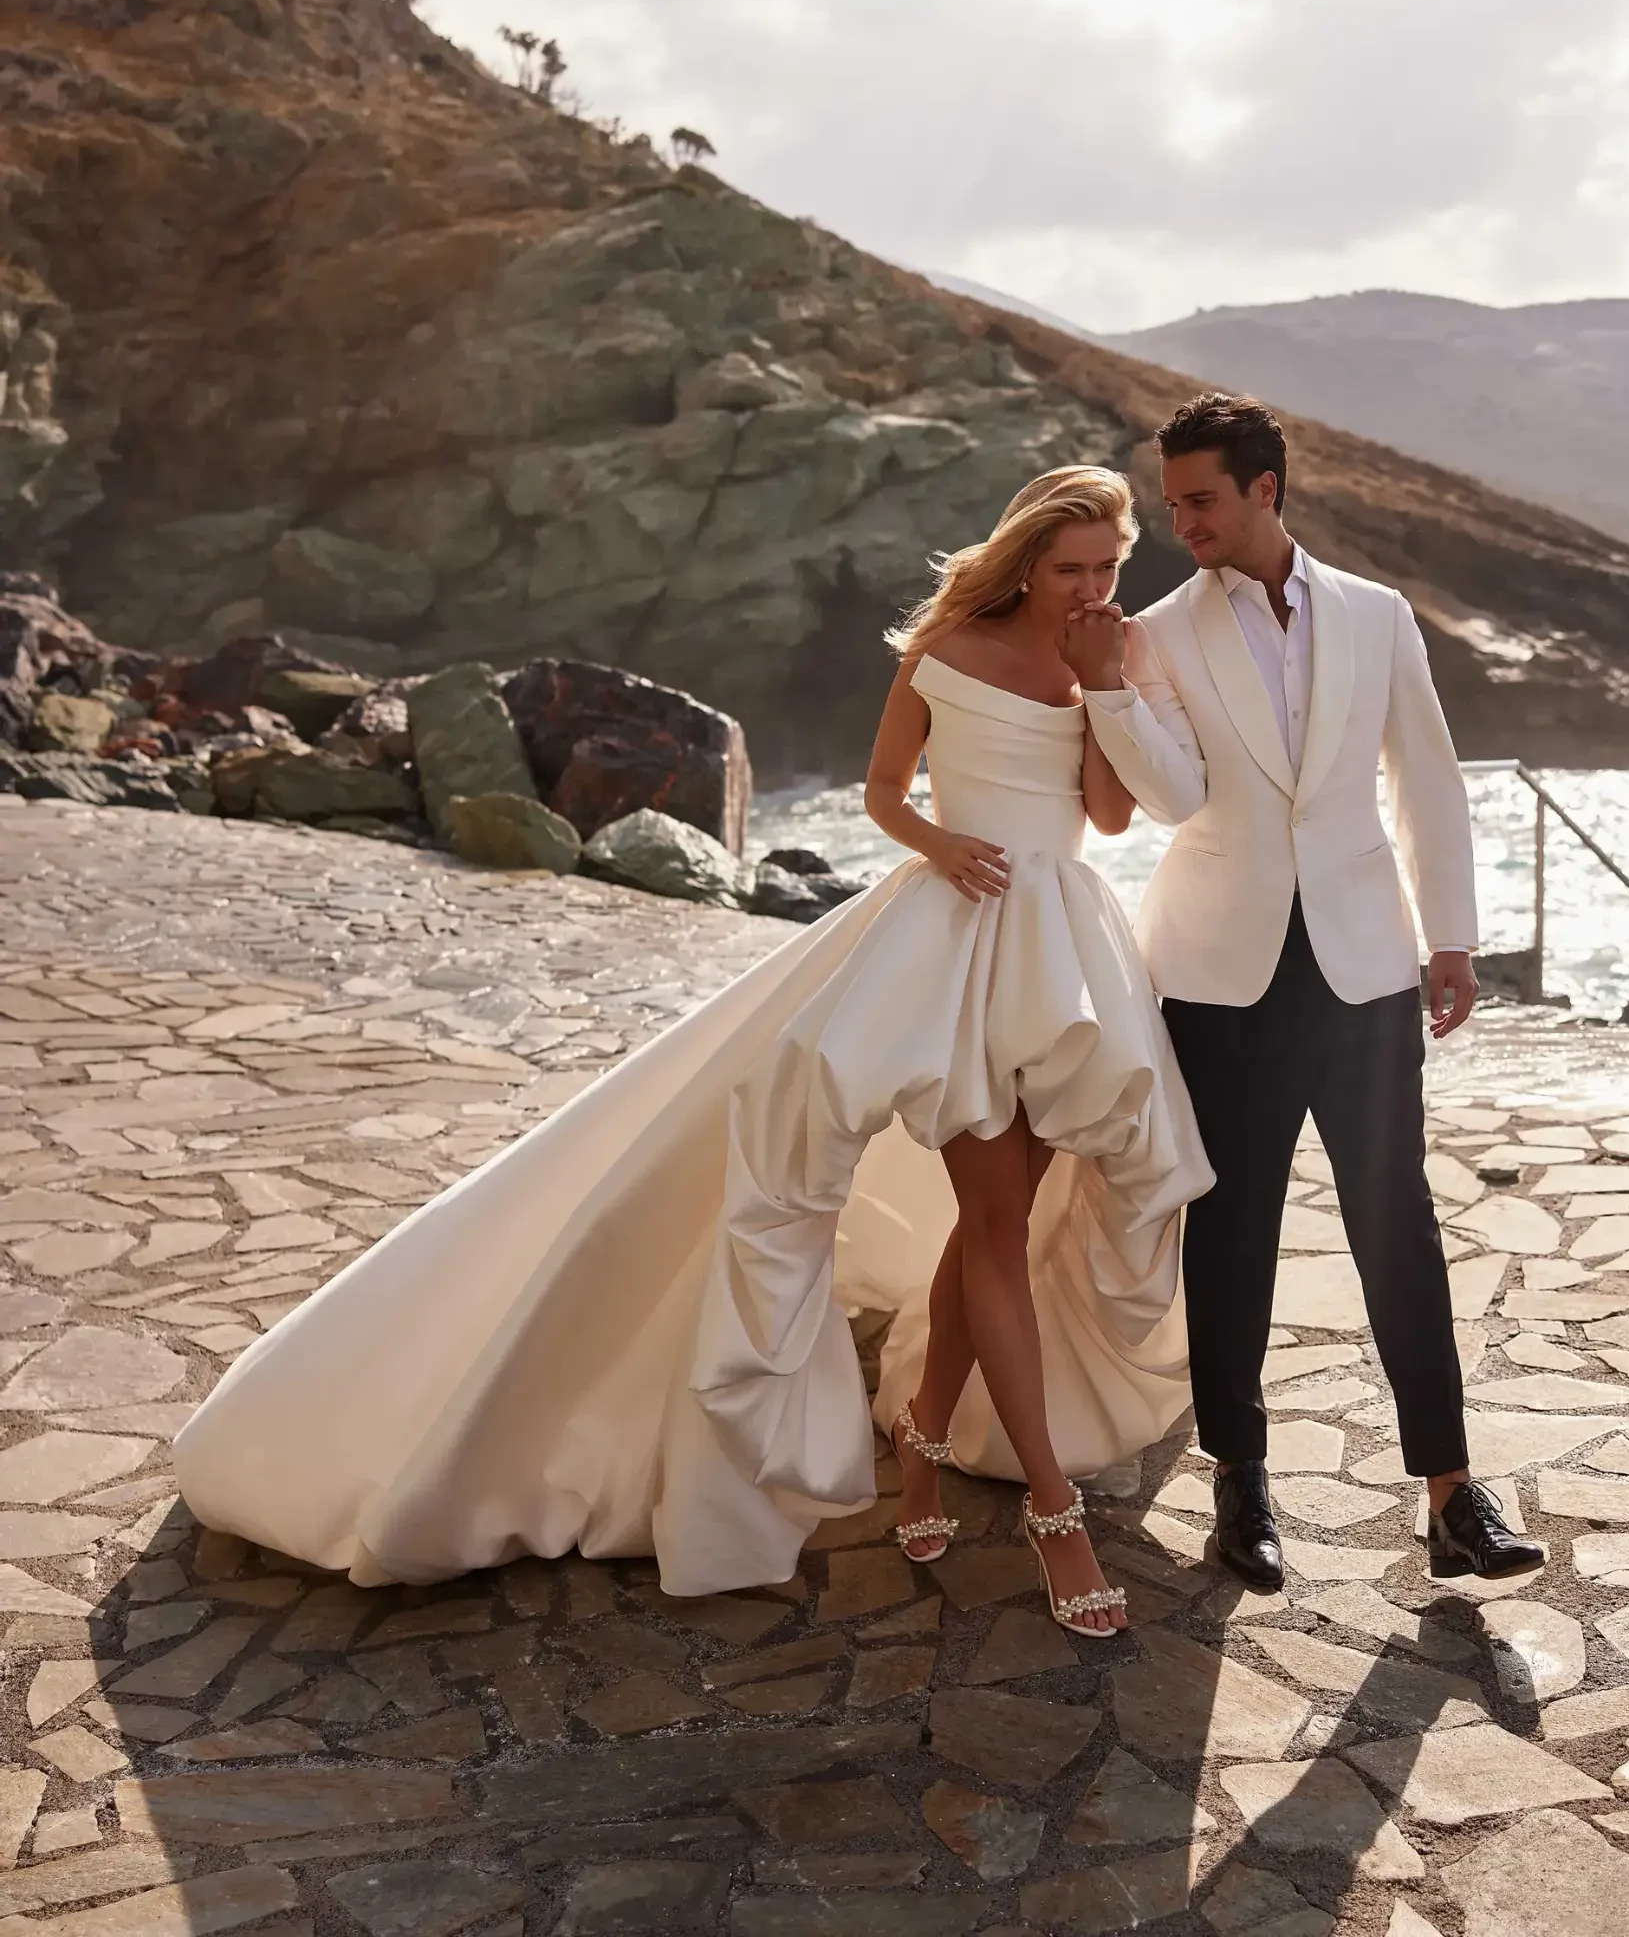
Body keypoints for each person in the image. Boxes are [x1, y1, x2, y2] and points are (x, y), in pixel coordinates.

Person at [174, 467, 1214, 1634]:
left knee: (1002, 1222)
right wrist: (939, 841)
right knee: (989, 1219)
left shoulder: (1098, 658)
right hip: (957, 934)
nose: (1091, 586)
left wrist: (1106, 685)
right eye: (1071, 566)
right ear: (1024, 557)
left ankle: (923, 1433)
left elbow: (1111, 819)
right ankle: (1052, 1510)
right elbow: (880, 791)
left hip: (1064, 946)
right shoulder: (942, 649)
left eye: (1109, 567)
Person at [1067, 393, 1543, 1590]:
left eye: (1201, 499)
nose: (1181, 521)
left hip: (1365, 963)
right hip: (1220, 975)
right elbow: (1171, 800)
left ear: (1265, 489)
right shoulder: (1159, 631)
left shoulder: (1377, 616)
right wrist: (1108, 695)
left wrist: (1450, 937)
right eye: (1171, 500)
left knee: (1397, 1221)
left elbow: (1424, 779)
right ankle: (1243, 1485)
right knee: (1232, 1234)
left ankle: (1448, 1489)